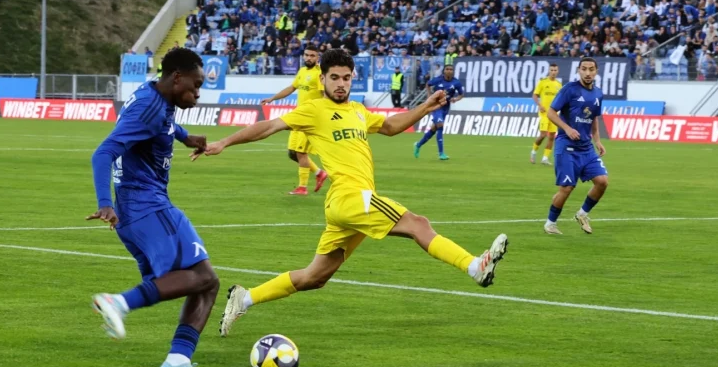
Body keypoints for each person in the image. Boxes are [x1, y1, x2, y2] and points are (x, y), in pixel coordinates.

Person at [196, 49, 508, 336]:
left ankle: (244, 298)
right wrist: (225, 142)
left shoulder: (358, 110)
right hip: (349, 197)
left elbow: (390, 126)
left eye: (346, 77)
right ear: (322, 79)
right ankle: (474, 266)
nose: (341, 83)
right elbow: (268, 126)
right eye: (334, 77)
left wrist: (425, 107)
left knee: (314, 278)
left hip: (347, 206)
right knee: (418, 223)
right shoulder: (314, 109)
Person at [87, 48, 222, 367]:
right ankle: (118, 303)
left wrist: (185, 136)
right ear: (177, 77)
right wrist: (105, 202)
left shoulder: (156, 96)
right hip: (146, 206)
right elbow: (103, 153)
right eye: (195, 85)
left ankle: (178, 362)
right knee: (203, 277)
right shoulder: (150, 106)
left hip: (139, 210)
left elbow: (163, 123)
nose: (198, 93)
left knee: (206, 282)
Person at [541, 57, 608, 235]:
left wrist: (597, 140)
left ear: (596, 71)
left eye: (591, 69)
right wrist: (567, 128)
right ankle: (550, 223)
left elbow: (594, 118)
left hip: (586, 148)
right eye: (584, 69)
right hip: (567, 146)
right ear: (579, 70)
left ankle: (582, 214)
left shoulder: (598, 93)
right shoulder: (569, 89)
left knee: (602, 182)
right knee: (567, 188)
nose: (587, 73)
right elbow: (551, 112)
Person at [260, 45, 329, 195]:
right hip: (298, 116)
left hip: (310, 118)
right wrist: (272, 98)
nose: (309, 58)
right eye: (307, 55)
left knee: (300, 152)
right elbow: (291, 88)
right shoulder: (302, 71)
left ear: (318, 57)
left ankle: (302, 188)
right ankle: (319, 173)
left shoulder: (320, 74)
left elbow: (325, 95)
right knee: (292, 153)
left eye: (312, 55)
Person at [414, 63, 464, 160]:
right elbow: (428, 84)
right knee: (440, 125)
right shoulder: (438, 80)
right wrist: (429, 96)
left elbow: (461, 95)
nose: (449, 71)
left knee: (434, 129)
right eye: (447, 69)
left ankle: (418, 145)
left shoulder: (456, 83)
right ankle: (441, 153)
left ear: (453, 71)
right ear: (444, 71)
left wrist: (455, 99)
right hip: (436, 106)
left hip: (445, 107)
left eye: (451, 69)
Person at [531, 62, 562, 165]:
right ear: (549, 71)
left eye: (555, 70)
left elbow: (560, 99)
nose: (553, 72)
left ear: (557, 71)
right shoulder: (543, 82)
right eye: (551, 70)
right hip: (544, 113)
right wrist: (539, 105)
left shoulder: (559, 85)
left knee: (552, 136)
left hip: (554, 114)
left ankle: (545, 158)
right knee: (543, 134)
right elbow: (535, 95)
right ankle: (533, 152)